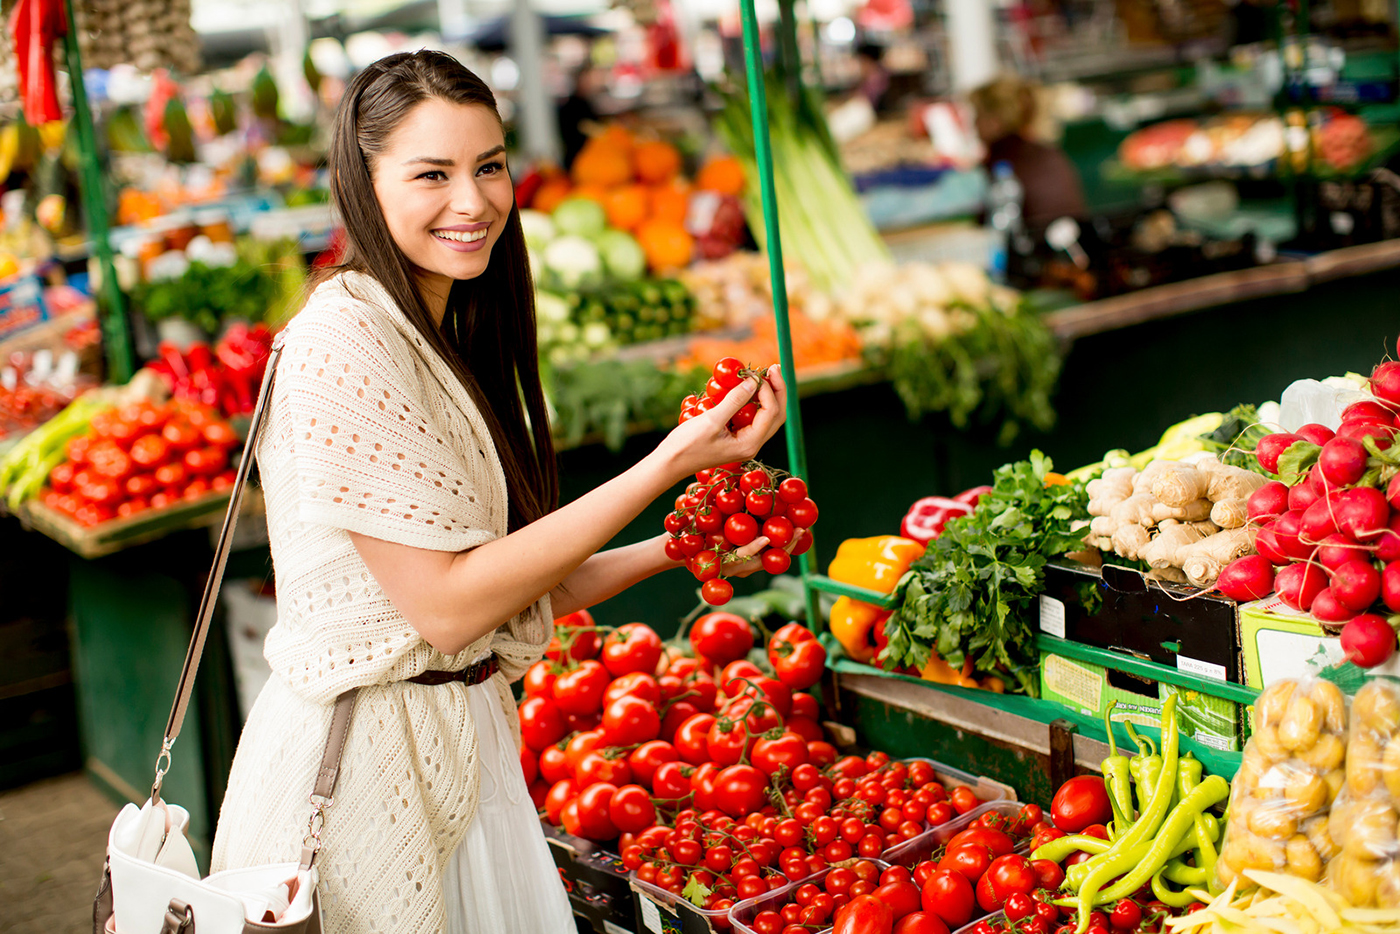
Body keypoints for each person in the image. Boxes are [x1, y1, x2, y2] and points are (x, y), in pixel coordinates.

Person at [210, 50, 788, 934]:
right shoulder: (342, 342)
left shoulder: (434, 327)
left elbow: (509, 586)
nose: (473, 201)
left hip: (460, 754)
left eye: (488, 166)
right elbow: (445, 609)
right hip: (364, 775)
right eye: (431, 174)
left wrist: (681, 547)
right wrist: (667, 465)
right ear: (361, 182)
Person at [968, 74, 1086, 226]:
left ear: (995, 122)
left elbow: (987, 222)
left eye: (978, 116)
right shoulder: (1050, 153)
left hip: (1034, 246)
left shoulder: (1001, 162)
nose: (974, 125)